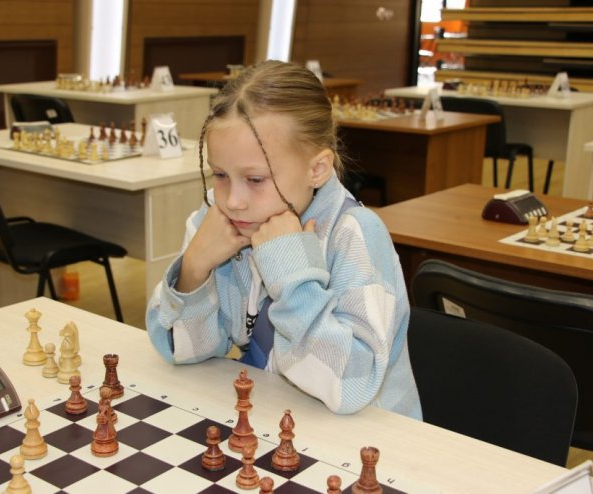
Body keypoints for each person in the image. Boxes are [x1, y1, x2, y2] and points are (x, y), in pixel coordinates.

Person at [146, 60, 421, 418]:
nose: (234, 200)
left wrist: (291, 277)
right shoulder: (223, 218)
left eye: (256, 180)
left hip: (372, 436)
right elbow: (181, 351)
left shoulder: (354, 235)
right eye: (220, 175)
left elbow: (350, 387)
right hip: (274, 415)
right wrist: (193, 270)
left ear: (317, 169)